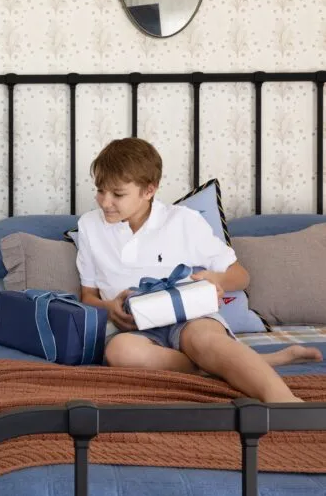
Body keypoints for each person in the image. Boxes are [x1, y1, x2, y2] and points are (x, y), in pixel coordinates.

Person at [76, 137, 321, 403]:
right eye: (100, 190)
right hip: (133, 328)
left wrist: (216, 279)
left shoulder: (183, 221)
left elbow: (241, 276)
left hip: (188, 318)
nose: (104, 201)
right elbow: (87, 296)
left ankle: (286, 403)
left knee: (205, 341)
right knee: (120, 354)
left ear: (149, 190)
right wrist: (109, 306)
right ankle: (236, 364)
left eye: (117, 194)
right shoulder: (90, 226)